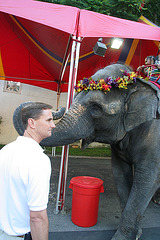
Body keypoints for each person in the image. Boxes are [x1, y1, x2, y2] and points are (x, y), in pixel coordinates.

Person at [0, 102, 55, 240]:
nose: (53, 125)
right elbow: (37, 217)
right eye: (49, 120)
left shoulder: (5, 150)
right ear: (32, 123)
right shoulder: (39, 160)